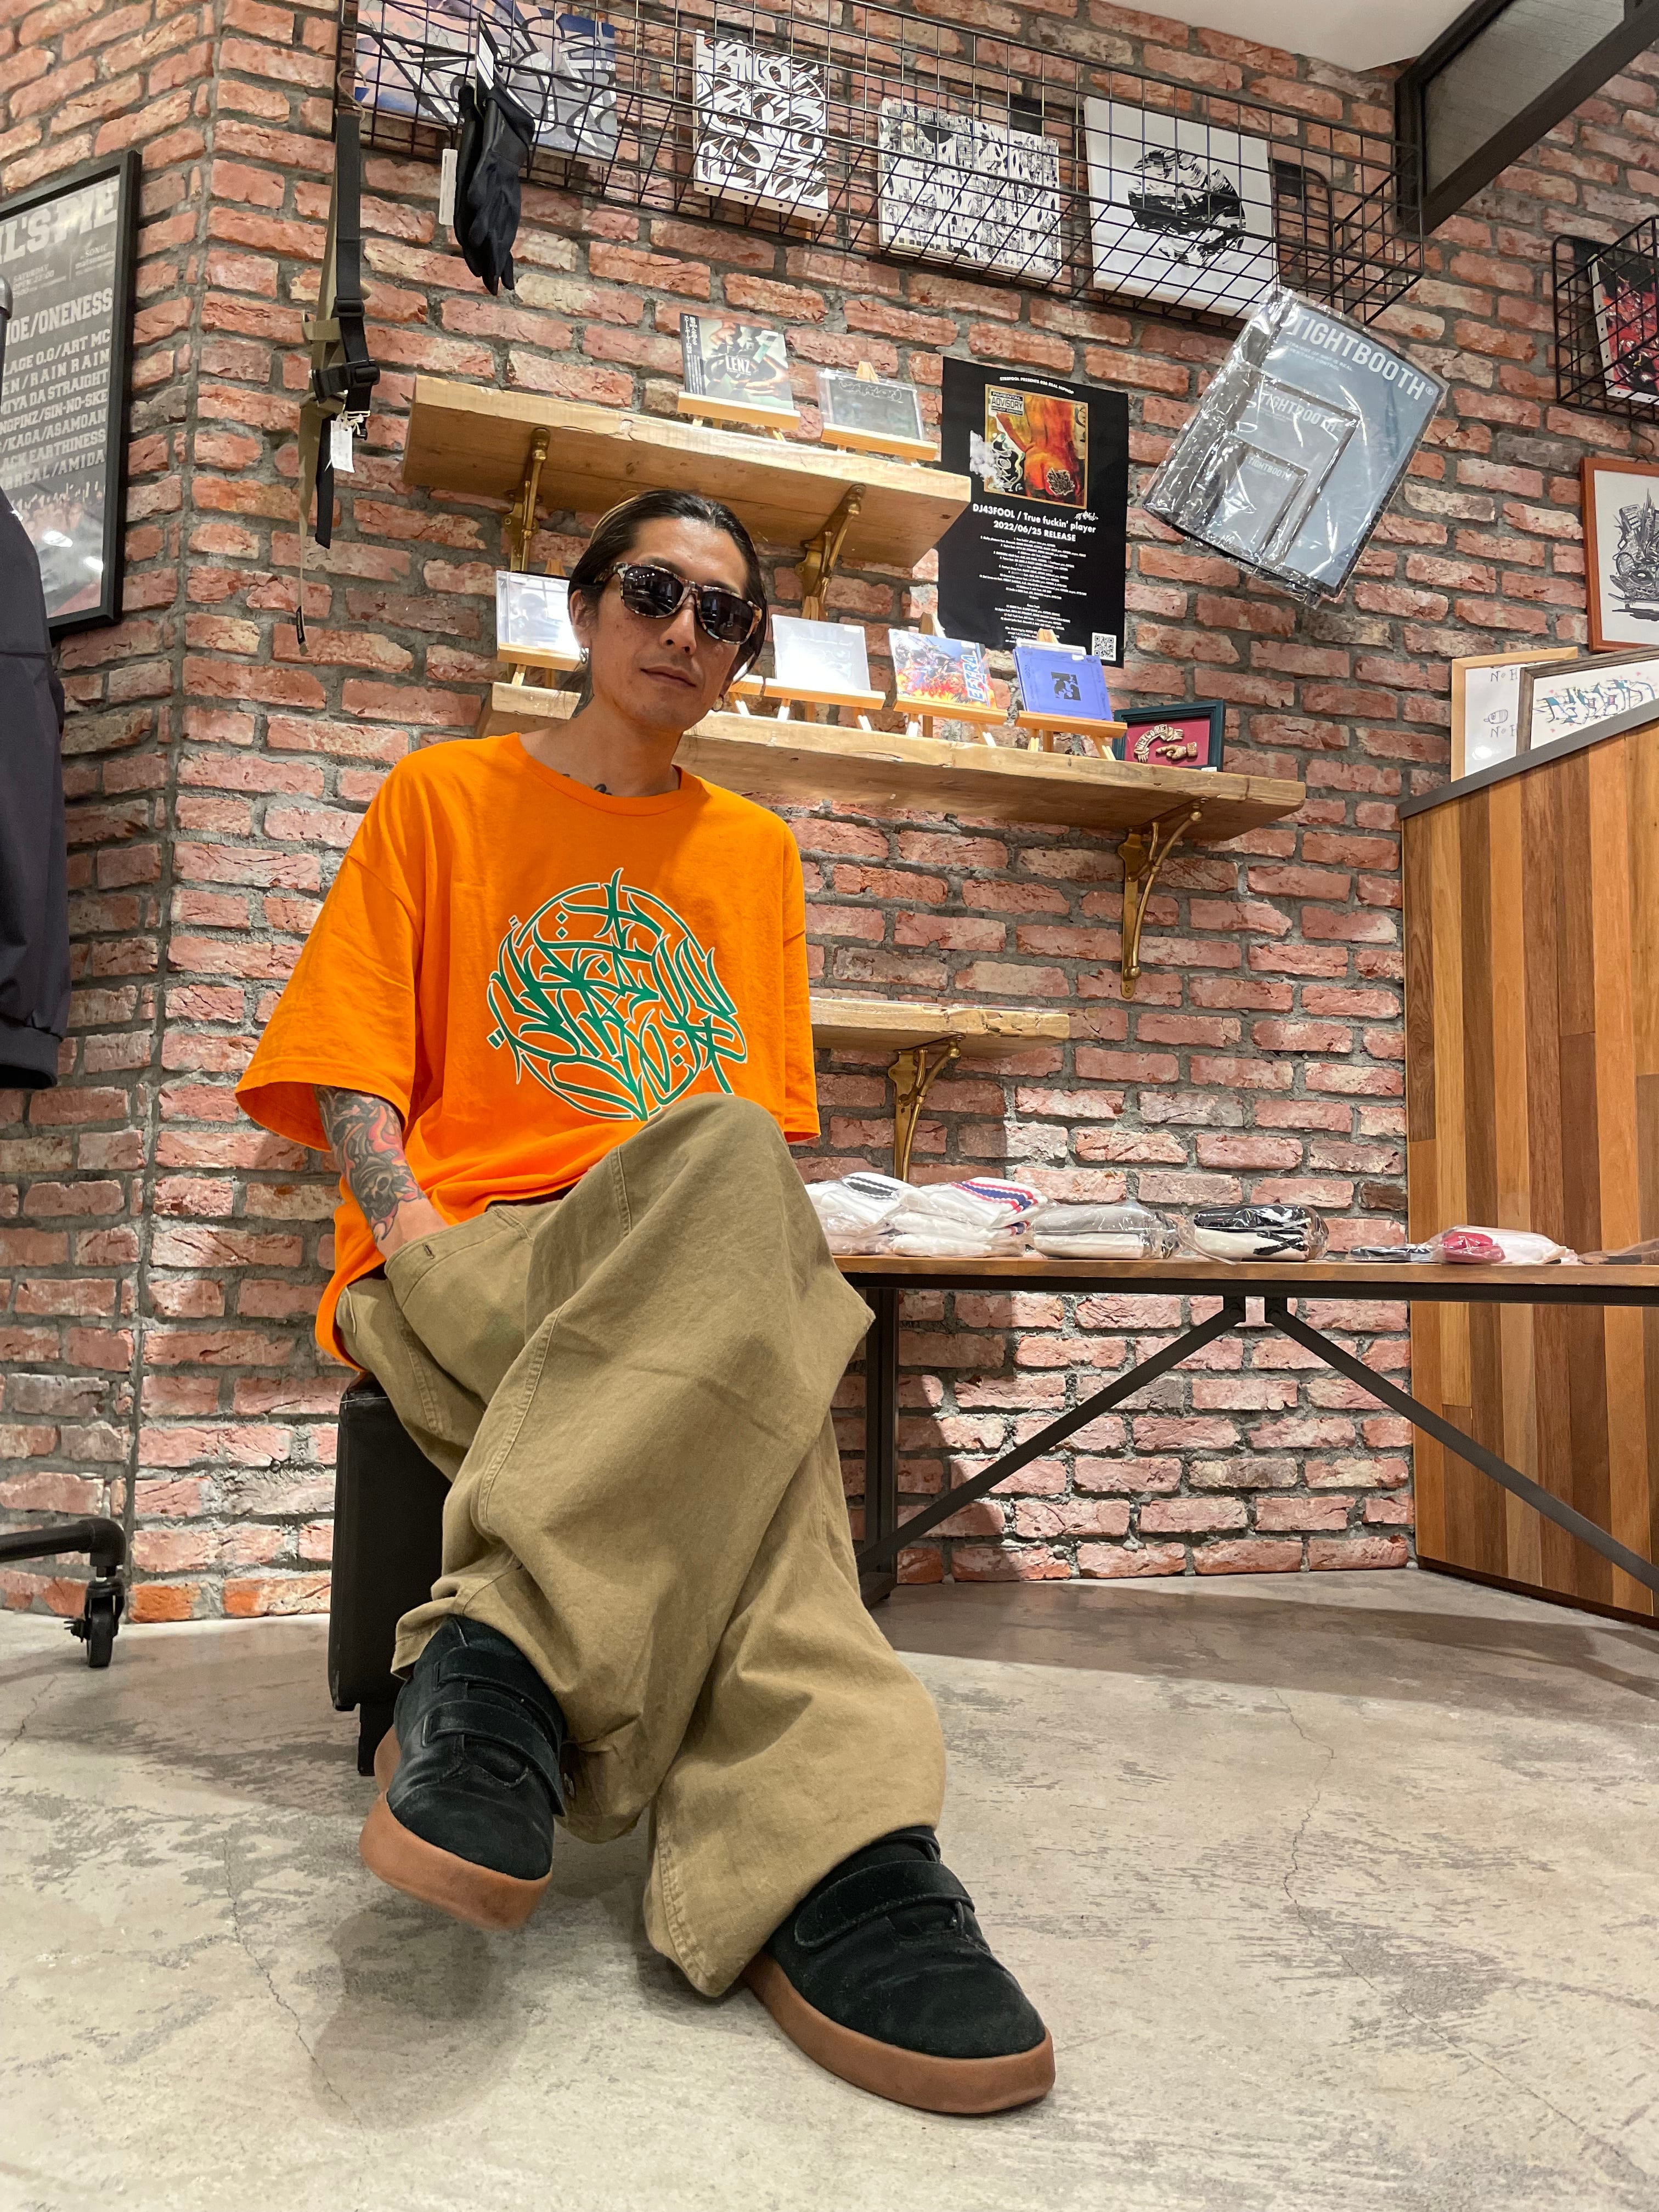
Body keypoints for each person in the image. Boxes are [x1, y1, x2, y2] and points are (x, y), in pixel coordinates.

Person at [236, 489, 1053, 2115]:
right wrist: (408, 1232)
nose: (686, 630)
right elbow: (345, 1059)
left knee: (731, 1173)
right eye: (654, 592)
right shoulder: (443, 794)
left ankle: (504, 1671)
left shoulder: (754, 854)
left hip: (666, 1239)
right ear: (585, 607)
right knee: (756, 1399)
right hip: (480, 1243)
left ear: (745, 653)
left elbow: (752, 1144)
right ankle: (843, 1848)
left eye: (725, 613)